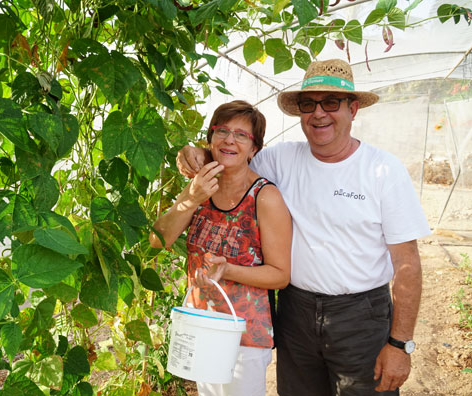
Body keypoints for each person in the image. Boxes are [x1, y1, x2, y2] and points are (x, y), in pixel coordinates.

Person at [176, 59, 431, 395]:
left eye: (331, 103)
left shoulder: (382, 170)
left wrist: (400, 344)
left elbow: (408, 265)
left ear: (353, 109)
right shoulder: (281, 159)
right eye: (309, 104)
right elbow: (233, 159)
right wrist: (196, 154)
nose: (319, 114)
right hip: (296, 312)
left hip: (360, 316)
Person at [150, 100, 292, 396]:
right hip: (201, 324)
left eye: (242, 135)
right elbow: (157, 241)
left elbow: (280, 275)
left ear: (254, 149)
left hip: (245, 335)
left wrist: (228, 270)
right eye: (222, 131)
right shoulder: (200, 188)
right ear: (210, 140)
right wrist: (190, 198)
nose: (230, 140)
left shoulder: (265, 197)